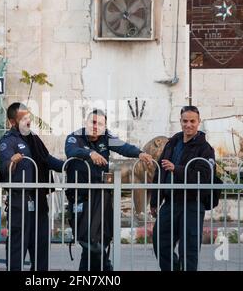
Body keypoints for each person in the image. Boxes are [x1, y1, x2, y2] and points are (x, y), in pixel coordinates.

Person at [65, 109, 153, 271]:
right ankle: (106, 267)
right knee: (88, 238)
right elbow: (71, 151)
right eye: (93, 122)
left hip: (102, 195)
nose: (96, 126)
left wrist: (140, 154)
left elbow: (123, 147)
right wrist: (90, 153)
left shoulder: (107, 137)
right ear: (86, 122)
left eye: (100, 124)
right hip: (81, 196)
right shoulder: (75, 137)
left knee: (102, 237)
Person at [0, 102, 64, 271]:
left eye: (29, 117)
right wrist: (12, 161)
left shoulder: (33, 138)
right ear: (12, 122)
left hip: (39, 198)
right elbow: (6, 164)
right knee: (18, 243)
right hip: (20, 199)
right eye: (23, 118)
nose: (28, 122)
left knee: (41, 243)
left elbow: (47, 159)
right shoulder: (7, 141)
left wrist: (69, 166)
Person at [150, 105, 216, 271]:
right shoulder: (172, 143)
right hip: (170, 203)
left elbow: (203, 177)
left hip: (192, 204)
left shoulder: (205, 149)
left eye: (192, 121)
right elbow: (159, 172)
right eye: (185, 121)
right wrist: (154, 201)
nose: (188, 125)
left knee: (189, 250)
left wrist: (176, 168)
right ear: (180, 121)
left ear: (198, 122)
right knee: (160, 242)